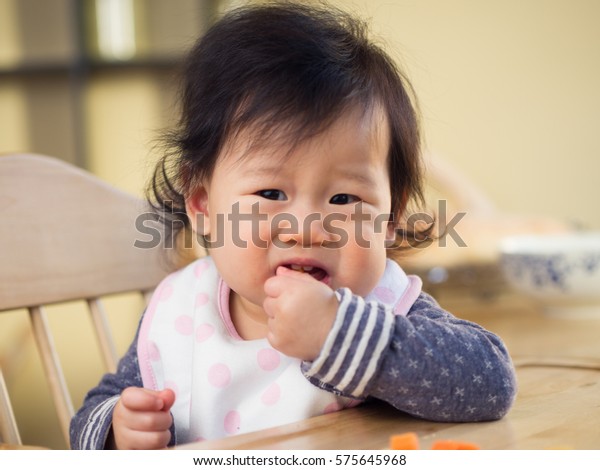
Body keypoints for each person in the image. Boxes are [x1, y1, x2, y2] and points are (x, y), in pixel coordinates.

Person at [70, 1, 517, 450]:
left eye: (344, 199)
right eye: (270, 194)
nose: (305, 228)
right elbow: (90, 414)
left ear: (391, 217)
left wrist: (338, 334)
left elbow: (491, 382)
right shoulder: (181, 311)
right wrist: (118, 428)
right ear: (203, 202)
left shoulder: (381, 309)